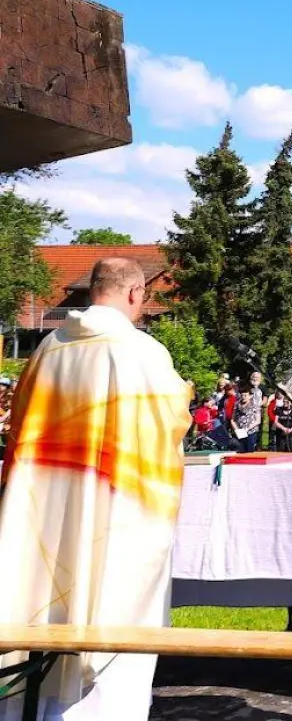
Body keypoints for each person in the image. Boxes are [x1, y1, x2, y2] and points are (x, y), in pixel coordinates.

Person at [0, 258, 190, 721]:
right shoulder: (141, 352)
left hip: (45, 512)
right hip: (114, 513)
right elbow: (169, 427)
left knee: (40, 608)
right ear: (134, 293)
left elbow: (19, 427)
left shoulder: (47, 348)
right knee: (110, 611)